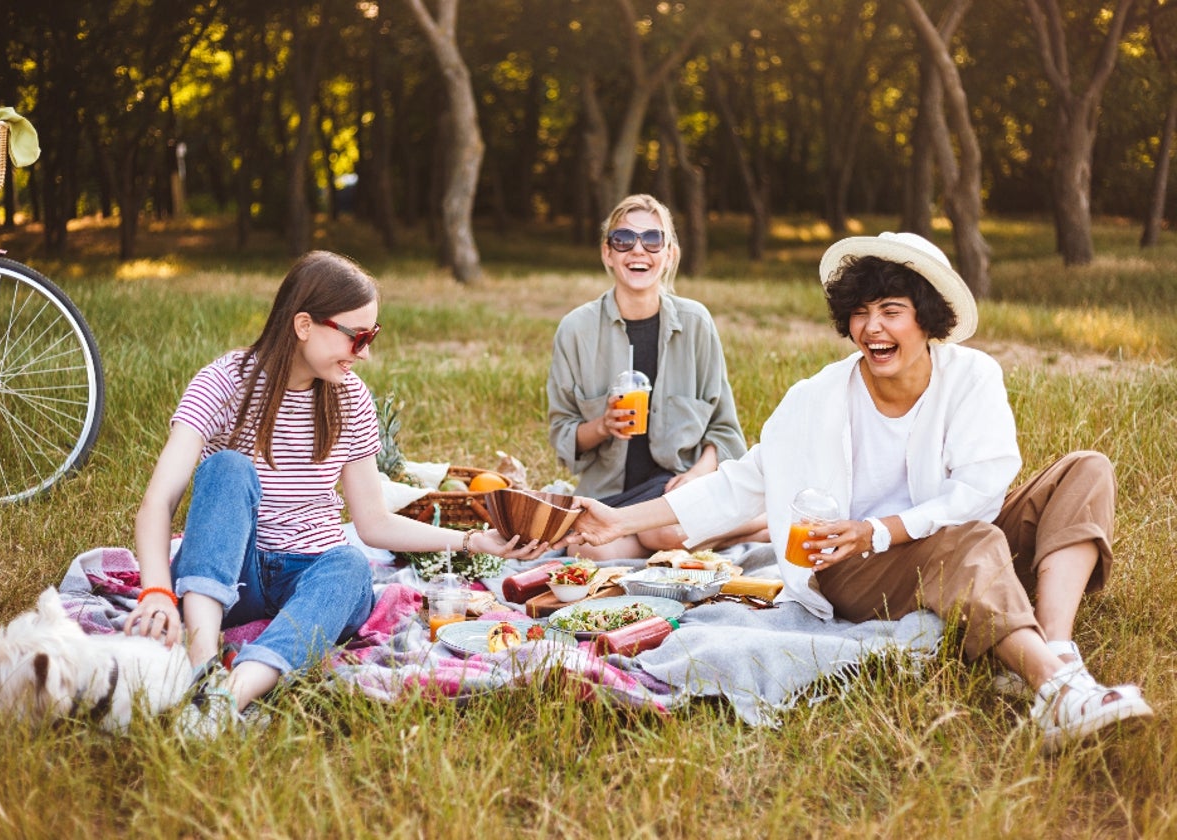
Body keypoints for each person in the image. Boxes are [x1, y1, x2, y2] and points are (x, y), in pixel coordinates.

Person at [568, 232, 1153, 751]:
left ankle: (1059, 656)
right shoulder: (815, 398)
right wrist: (619, 522)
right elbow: (739, 486)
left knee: (1087, 468)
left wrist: (883, 528)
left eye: (892, 311)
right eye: (860, 312)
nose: (873, 328)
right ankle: (1054, 686)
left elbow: (981, 490)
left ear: (926, 318)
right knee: (968, 540)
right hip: (852, 568)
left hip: (938, 541)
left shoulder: (972, 378)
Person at [123, 250, 544, 739]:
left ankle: (228, 696)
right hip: (229, 575)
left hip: (310, 573)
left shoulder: (350, 398)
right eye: (357, 336)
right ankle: (201, 665)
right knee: (226, 468)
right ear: (304, 324)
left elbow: (374, 523)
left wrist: (472, 542)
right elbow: (158, 501)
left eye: (373, 336)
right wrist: (155, 590)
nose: (365, 353)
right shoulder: (224, 382)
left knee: (349, 565)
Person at [547, 193, 767, 559]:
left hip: (678, 489)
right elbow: (562, 436)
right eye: (623, 239)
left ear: (670, 255)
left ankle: (750, 524)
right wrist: (603, 426)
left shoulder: (696, 323)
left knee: (665, 527)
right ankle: (756, 529)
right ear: (608, 253)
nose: (638, 250)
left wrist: (697, 476)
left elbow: (724, 430)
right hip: (611, 497)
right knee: (593, 554)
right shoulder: (576, 330)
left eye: (653, 239)